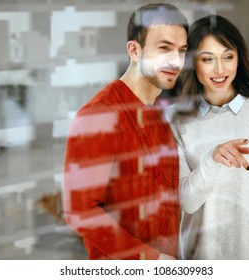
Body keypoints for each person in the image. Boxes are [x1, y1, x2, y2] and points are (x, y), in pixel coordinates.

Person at [63, 3, 188, 260]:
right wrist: (151, 259)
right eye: (164, 48)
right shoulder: (99, 115)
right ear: (134, 50)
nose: (175, 61)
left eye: (182, 50)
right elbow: (80, 211)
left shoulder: (159, 118)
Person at [169, 15, 249, 260]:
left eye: (228, 57)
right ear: (193, 63)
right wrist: (213, 159)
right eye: (208, 59)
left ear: (239, 58)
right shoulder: (177, 120)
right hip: (200, 260)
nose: (220, 69)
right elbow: (186, 201)